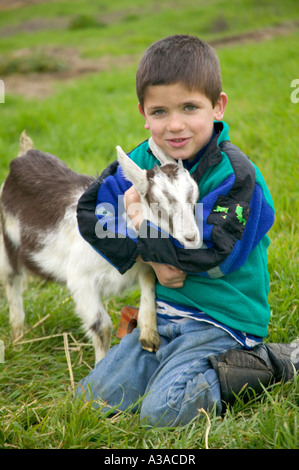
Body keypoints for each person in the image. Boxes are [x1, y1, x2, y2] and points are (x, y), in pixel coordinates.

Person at [75, 35, 298, 427]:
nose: (174, 125)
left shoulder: (234, 175)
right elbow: (92, 213)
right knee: (89, 403)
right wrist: (147, 251)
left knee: (162, 412)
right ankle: (159, 358)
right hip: (164, 316)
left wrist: (145, 235)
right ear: (143, 113)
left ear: (217, 107)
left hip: (221, 321)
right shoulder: (141, 160)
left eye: (190, 107)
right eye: (160, 111)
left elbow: (213, 252)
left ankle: (275, 361)